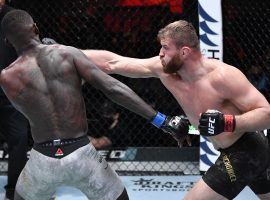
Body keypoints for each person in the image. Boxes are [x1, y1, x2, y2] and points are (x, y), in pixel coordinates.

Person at [0, 10, 189, 200]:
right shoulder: (66, 53)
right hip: (81, 153)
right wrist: (162, 121)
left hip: (43, 159)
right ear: (36, 28)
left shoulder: (6, 77)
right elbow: (113, 88)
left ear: (7, 41)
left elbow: (28, 109)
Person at [82, 20, 270, 199]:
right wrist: (63, 52)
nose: (160, 53)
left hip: (246, 151)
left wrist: (228, 122)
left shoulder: (222, 76)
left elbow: (266, 113)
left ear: (184, 52)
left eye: (165, 47)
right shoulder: (163, 69)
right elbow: (112, 63)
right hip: (235, 150)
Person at [0, 1, 29, 199]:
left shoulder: (16, 19)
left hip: (11, 92)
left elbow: (30, 50)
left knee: (19, 138)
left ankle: (14, 190)